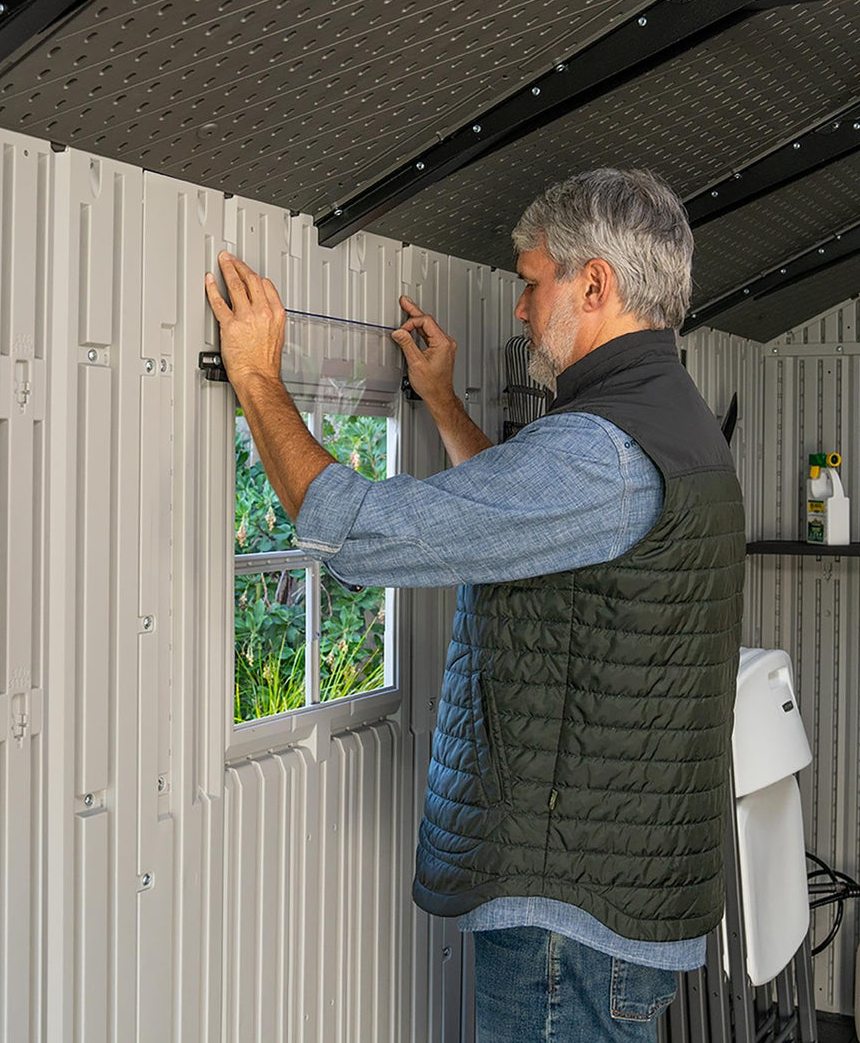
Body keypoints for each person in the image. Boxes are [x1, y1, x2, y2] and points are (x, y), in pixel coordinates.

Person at [205, 167, 745, 1042]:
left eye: (532, 284)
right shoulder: (660, 422)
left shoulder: (602, 452)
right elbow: (518, 522)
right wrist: (442, 401)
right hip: (607, 894)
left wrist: (259, 380)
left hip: (568, 917)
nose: (521, 310)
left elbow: (362, 535)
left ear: (595, 284)